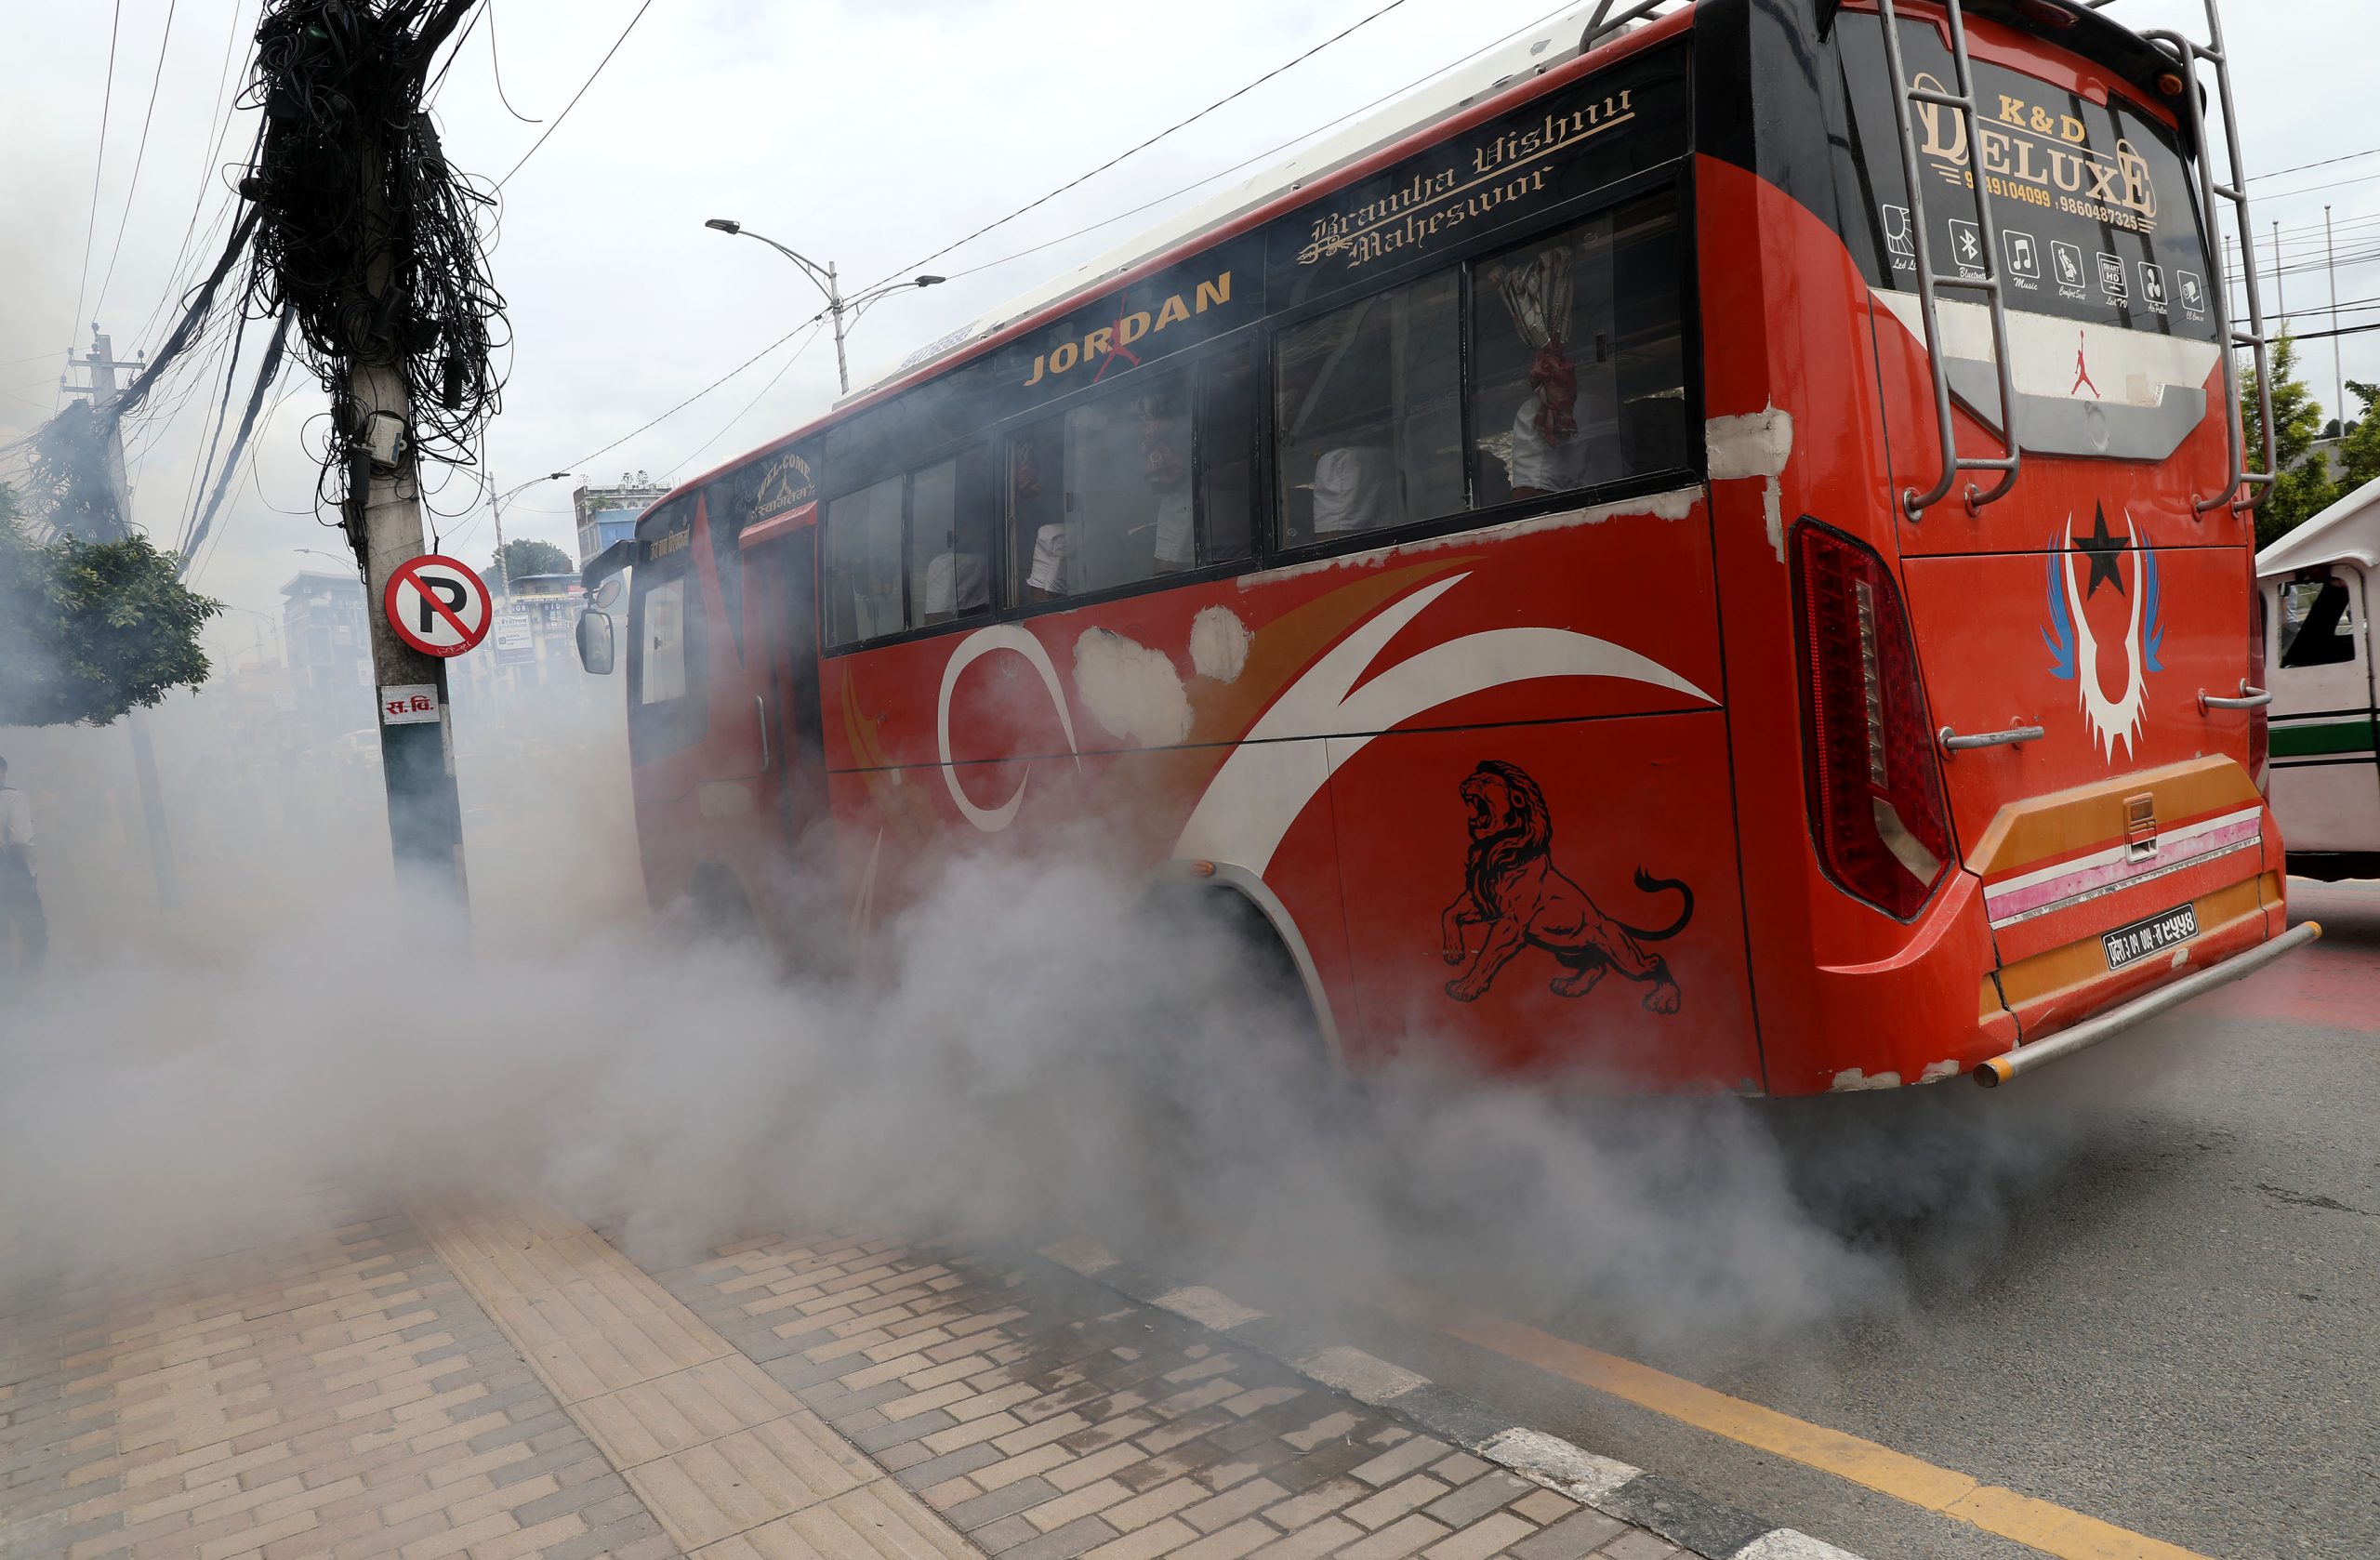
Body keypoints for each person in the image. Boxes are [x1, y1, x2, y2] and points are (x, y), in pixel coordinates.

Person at [0, 756, 46, 984]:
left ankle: (6, 996)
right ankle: (26, 994)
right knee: (35, 934)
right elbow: (20, 840)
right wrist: (30, 870)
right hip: (11, 873)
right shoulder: (12, 797)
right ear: (4, 772)